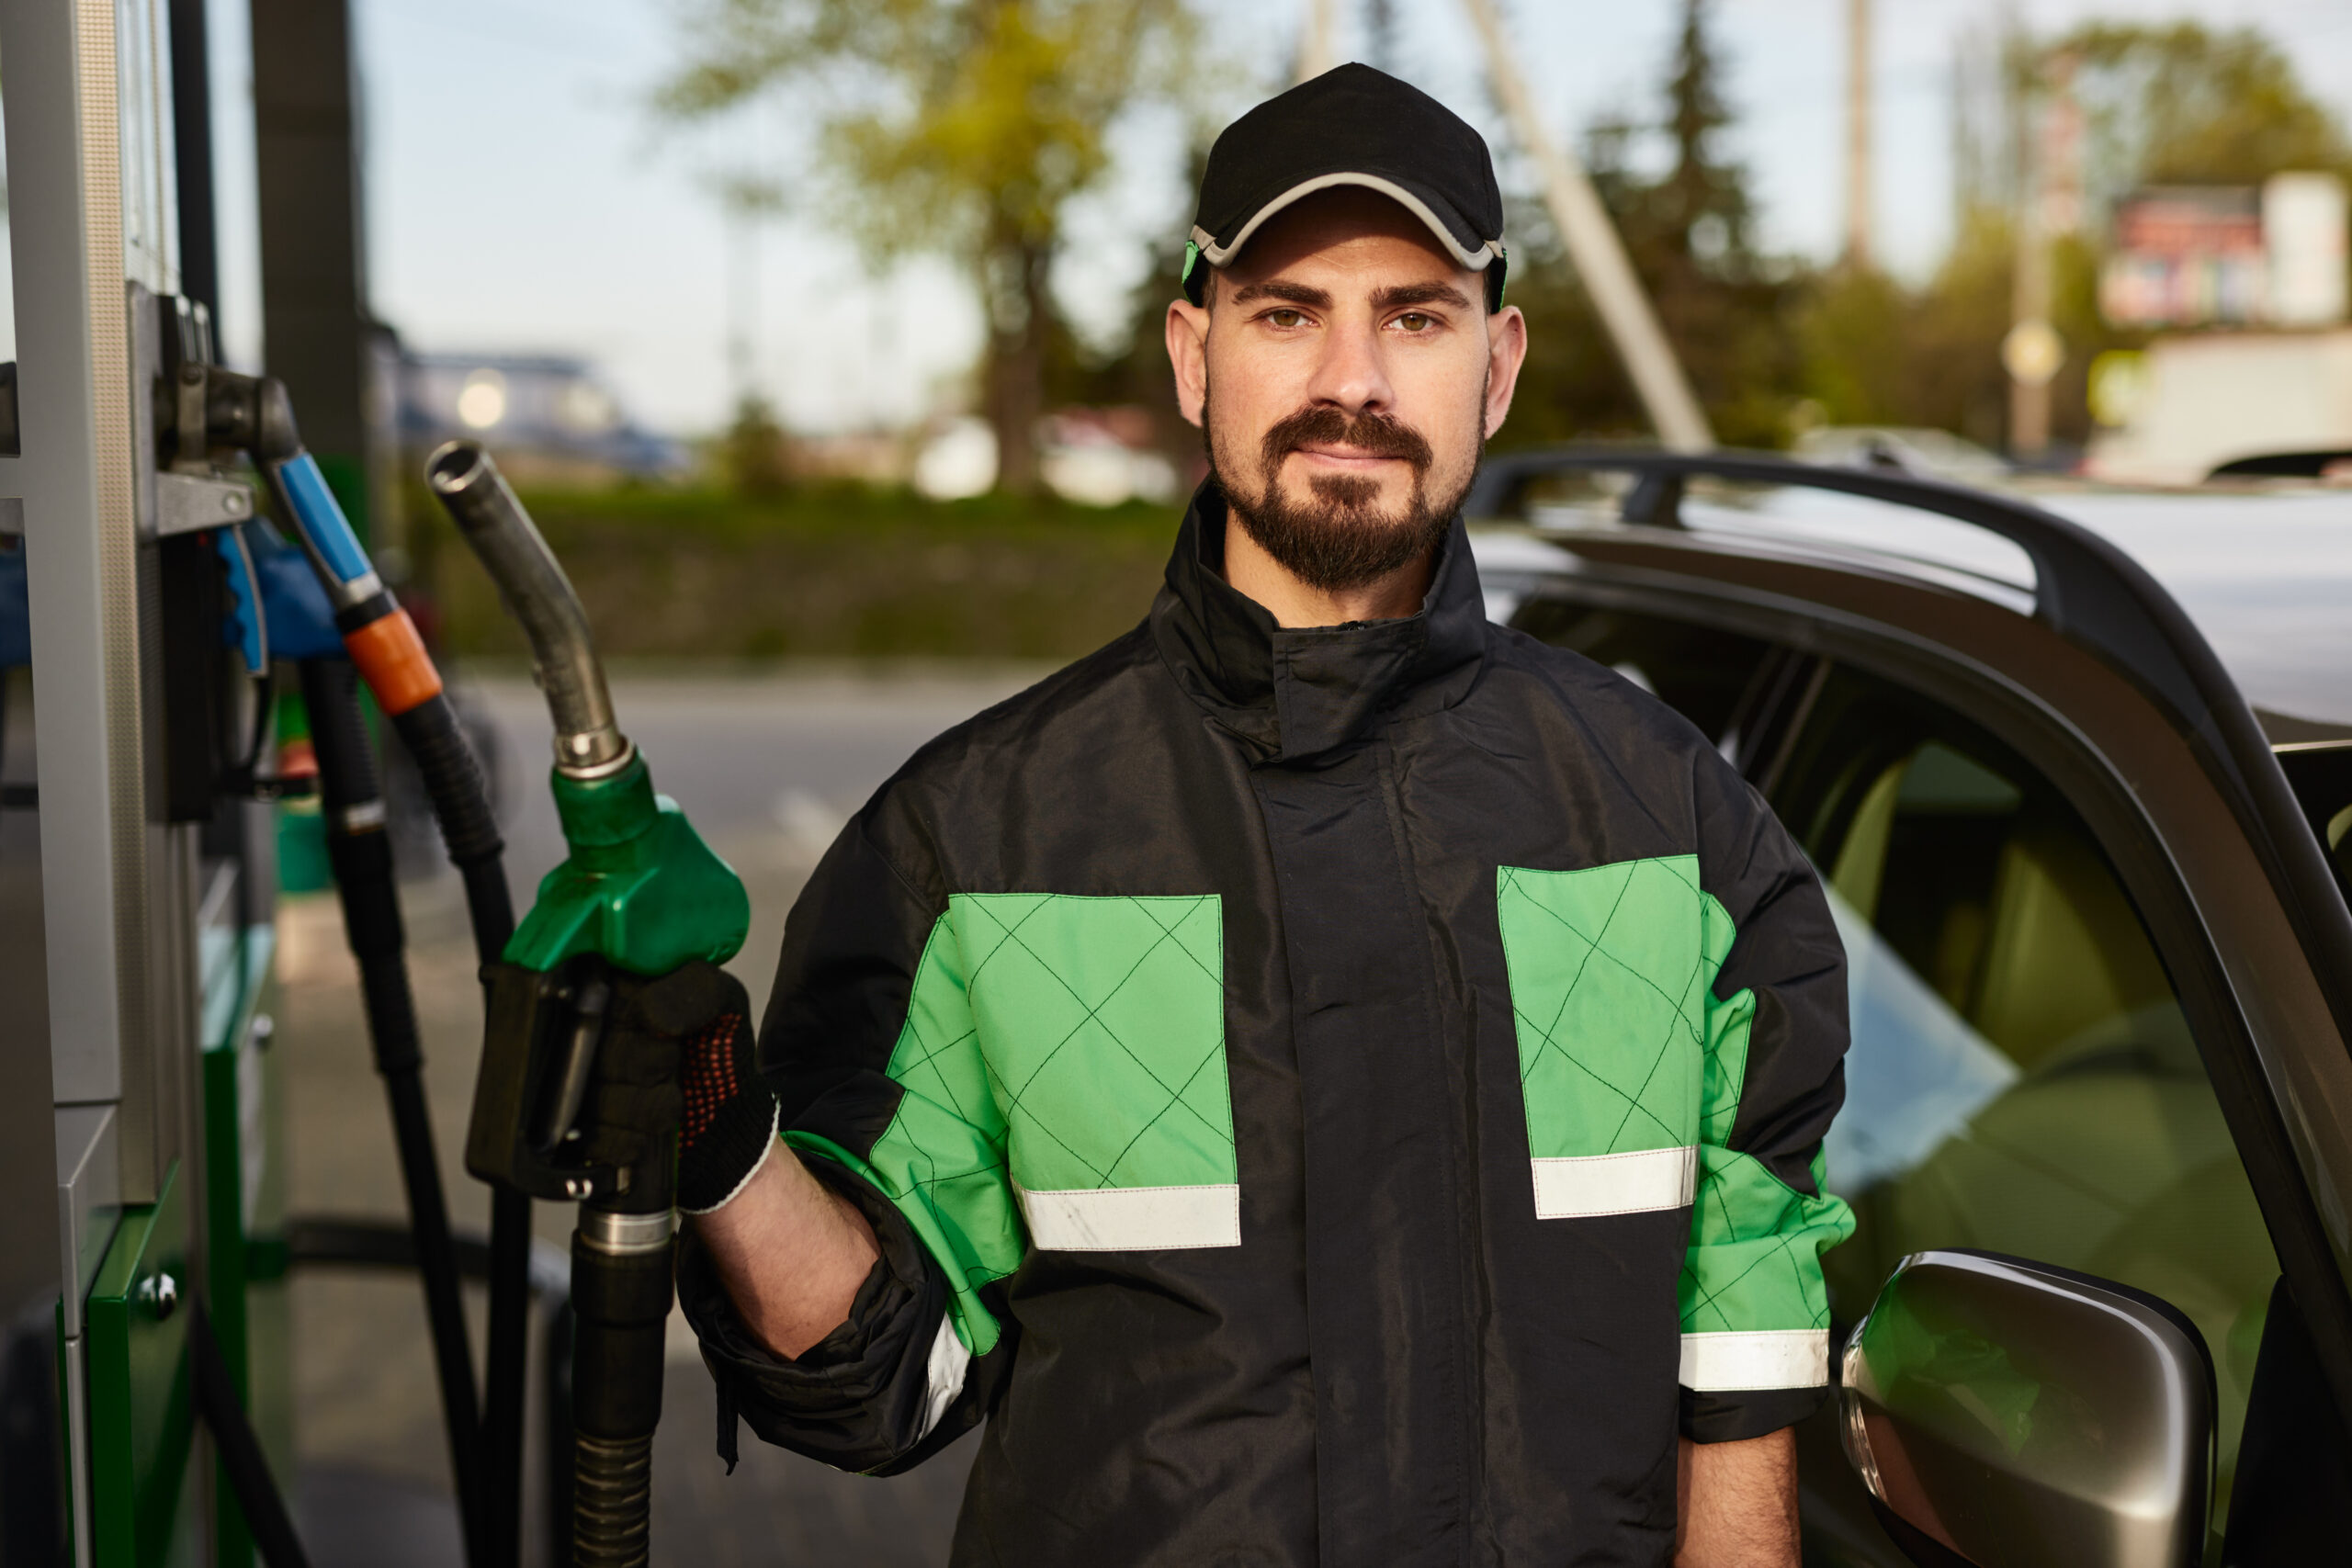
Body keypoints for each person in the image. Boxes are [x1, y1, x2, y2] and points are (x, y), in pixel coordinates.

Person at [650, 62, 1853, 1567]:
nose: (1352, 379)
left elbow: (1736, 1362)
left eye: (1413, 316)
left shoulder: (1676, 833)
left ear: (1497, 364)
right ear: (1193, 354)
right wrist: (715, 1129)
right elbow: (881, 1384)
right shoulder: (978, 843)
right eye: (1288, 312)